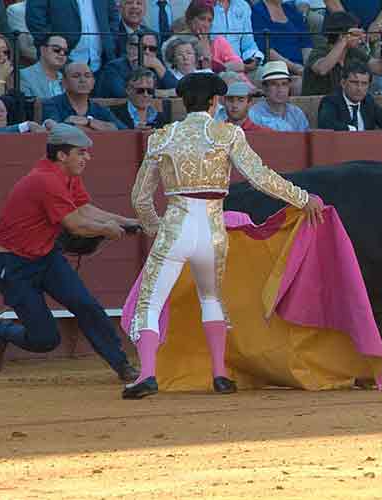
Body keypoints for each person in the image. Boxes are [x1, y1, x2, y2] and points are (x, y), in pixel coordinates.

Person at [123, 71, 325, 399]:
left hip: (176, 226)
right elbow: (260, 177)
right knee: (211, 297)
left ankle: (147, 374)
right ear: (215, 101)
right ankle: (219, 374)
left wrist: (155, 228)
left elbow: (140, 198)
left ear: (182, 102)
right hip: (213, 232)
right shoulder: (226, 134)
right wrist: (304, 198)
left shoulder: (162, 137)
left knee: (151, 301)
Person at [0, 124, 140, 382]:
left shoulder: (67, 176)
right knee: (45, 339)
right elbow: (75, 224)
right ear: (62, 155)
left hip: (45, 257)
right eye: (81, 152)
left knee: (86, 304)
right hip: (13, 265)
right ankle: (1, 330)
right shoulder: (46, 180)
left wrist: (126, 222)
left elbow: (85, 210)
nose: (87, 157)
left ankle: (122, 365)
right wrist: (107, 230)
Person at [317, 62, 382, 131]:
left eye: (364, 84)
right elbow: (326, 124)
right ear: (343, 83)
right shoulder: (330, 101)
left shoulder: (368, 101)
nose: (359, 88)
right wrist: (352, 130)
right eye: (354, 82)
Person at [248, 61, 310, 132]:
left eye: (284, 84)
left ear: (289, 87)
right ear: (265, 88)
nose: (280, 89)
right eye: (274, 84)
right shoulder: (254, 114)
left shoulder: (297, 114)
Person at [19, 34, 67, 99]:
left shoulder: (67, 78)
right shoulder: (24, 75)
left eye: (65, 51)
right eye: (56, 49)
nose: (62, 53)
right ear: (43, 50)